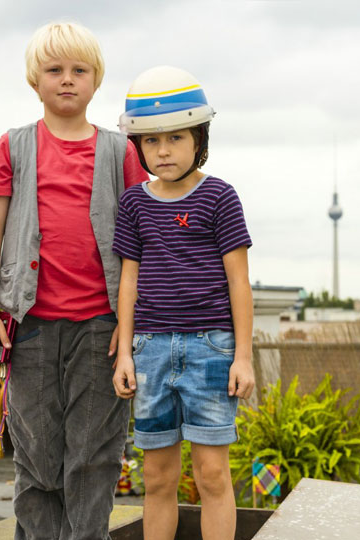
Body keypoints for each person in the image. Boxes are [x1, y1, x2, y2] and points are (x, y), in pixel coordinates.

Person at [0, 21, 148, 540]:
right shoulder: (14, 146)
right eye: (55, 70)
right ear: (35, 80)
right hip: (29, 328)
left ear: (96, 81)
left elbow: (142, 245)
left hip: (101, 328)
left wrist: (130, 326)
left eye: (79, 70)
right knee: (38, 457)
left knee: (92, 456)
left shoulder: (121, 153)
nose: (67, 80)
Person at [111, 66, 256, 540]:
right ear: (139, 147)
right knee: (156, 478)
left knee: (212, 475)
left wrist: (243, 357)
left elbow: (239, 284)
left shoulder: (220, 197)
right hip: (150, 351)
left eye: (175, 137)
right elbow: (128, 282)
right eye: (151, 141)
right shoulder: (134, 204)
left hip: (210, 352)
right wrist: (126, 354)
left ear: (200, 138)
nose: (163, 150)